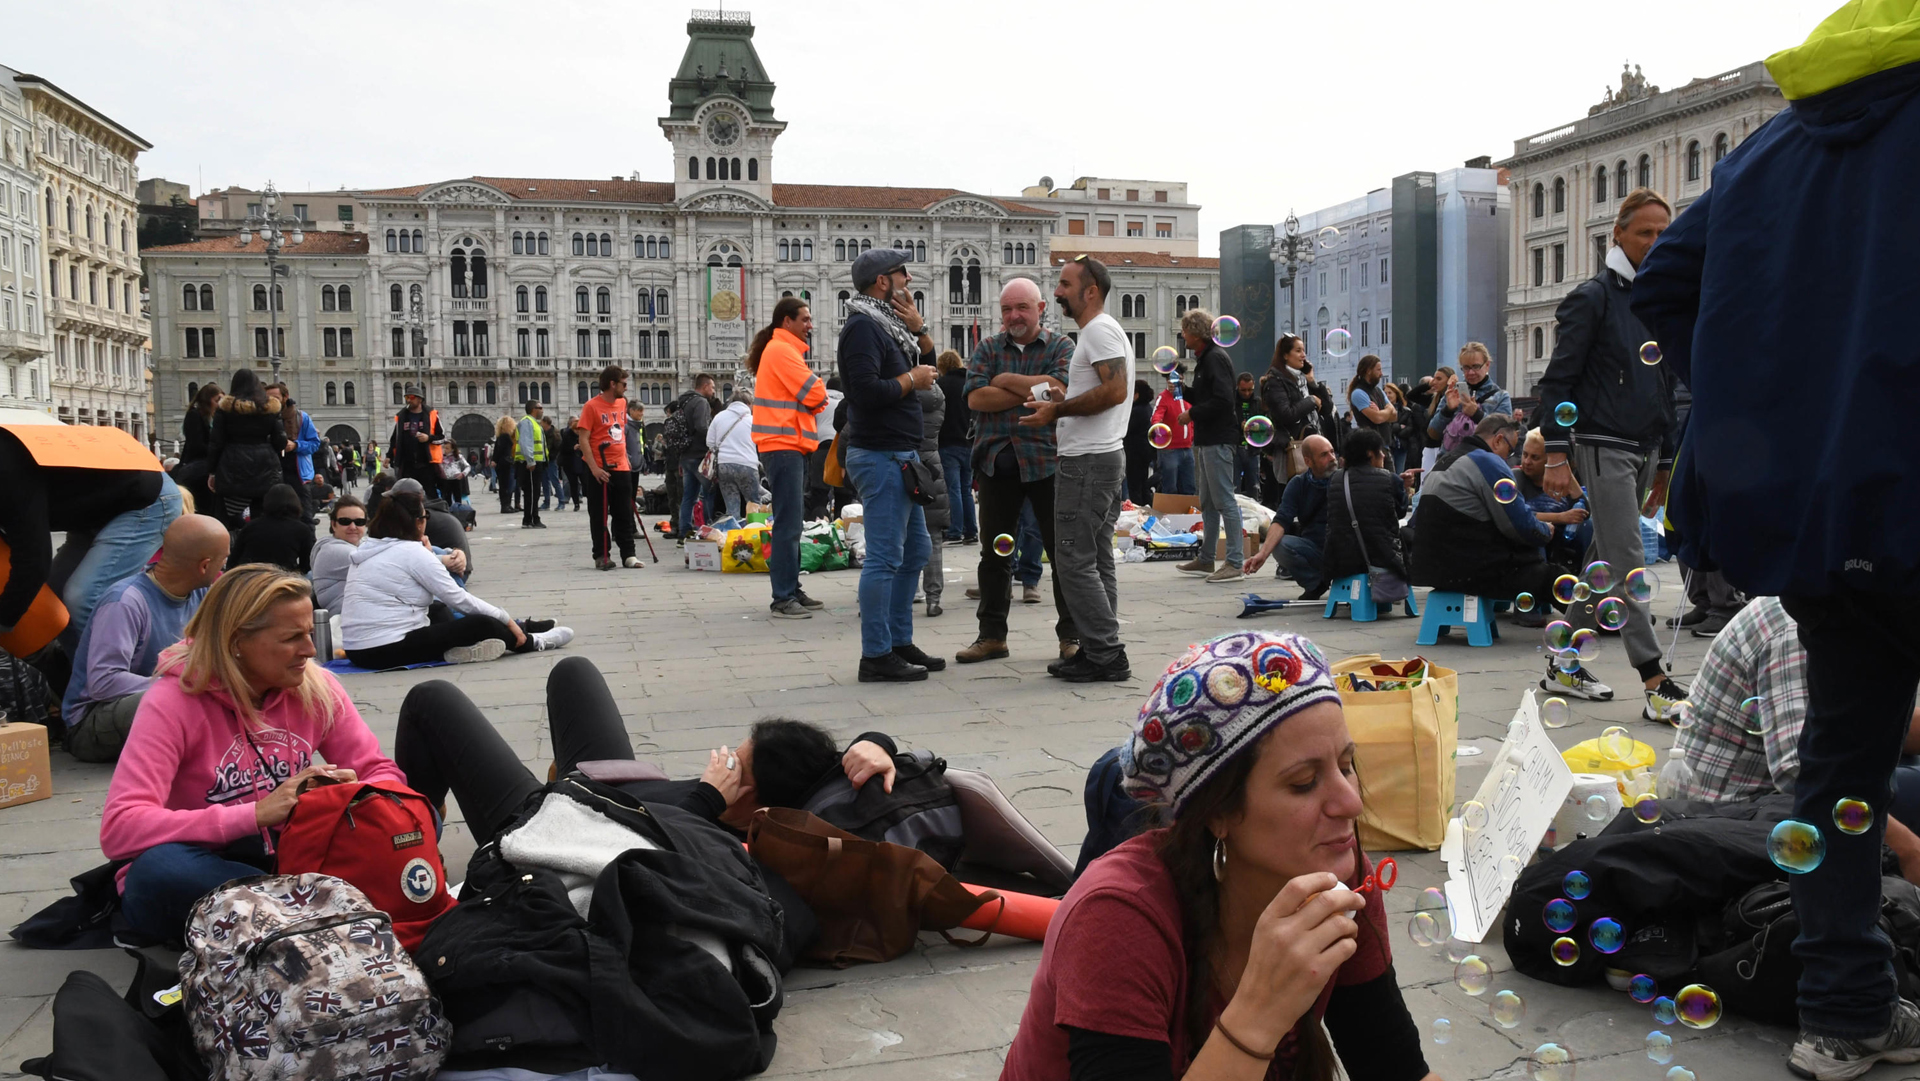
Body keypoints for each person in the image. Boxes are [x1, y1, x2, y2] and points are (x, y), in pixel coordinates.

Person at [1631, 11, 1920, 1075]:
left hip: (1817, 515)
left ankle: (1842, 1013)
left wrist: (1766, 391)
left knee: (1839, 767)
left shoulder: (1766, 151)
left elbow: (1662, 284)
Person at [1000, 630, 1428, 1081]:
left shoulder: (1338, 875)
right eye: (1303, 782)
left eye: (1346, 766)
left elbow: (1394, 1068)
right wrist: (1258, 1012)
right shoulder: (1117, 916)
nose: (1351, 804)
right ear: (1218, 812)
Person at [97, 565, 410, 942]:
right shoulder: (171, 701)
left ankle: (298, 913)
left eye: (309, 633)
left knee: (405, 821)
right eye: (292, 638)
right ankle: (323, 908)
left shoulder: (315, 684)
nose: (310, 651)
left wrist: (355, 794)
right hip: (210, 864)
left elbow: (379, 770)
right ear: (235, 643)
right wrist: (255, 814)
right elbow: (121, 828)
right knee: (161, 871)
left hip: (291, 858)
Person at [393, 655, 905, 846]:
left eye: (735, 766)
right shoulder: (796, 784)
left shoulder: (723, 842)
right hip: (606, 781)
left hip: (550, 828)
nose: (720, 762)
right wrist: (875, 744)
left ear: (755, 806)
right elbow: (839, 772)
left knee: (430, 700)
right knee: (574, 671)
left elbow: (632, 852)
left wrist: (705, 798)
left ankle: (410, 834)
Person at [1536, 187, 1687, 724]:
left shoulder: (1659, 298)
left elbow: (1666, 385)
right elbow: (1559, 381)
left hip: (1645, 449)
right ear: (1618, 233)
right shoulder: (1593, 297)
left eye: (1663, 232)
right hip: (1603, 446)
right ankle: (1654, 680)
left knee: (1602, 563)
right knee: (1630, 568)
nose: (1654, 241)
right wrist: (1556, 453)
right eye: (1644, 231)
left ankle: (1563, 662)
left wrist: (1667, 461)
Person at [956, 277, 1078, 667]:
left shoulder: (1062, 345)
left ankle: (1071, 637)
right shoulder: (988, 346)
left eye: (1022, 308)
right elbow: (976, 397)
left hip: (1047, 460)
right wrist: (1032, 389)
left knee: (1062, 555)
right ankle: (991, 636)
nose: (1013, 316)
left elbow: (1060, 388)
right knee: (994, 554)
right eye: (1007, 309)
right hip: (996, 462)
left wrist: (1004, 381)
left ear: (1040, 309)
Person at [1022, 256, 1131, 683]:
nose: (1057, 291)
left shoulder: (1099, 329)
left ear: (1090, 291)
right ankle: (1098, 646)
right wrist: (1062, 398)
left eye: (1064, 284)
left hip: (1087, 462)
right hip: (1098, 458)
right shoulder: (1100, 331)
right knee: (1096, 556)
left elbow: (1116, 390)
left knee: (1073, 560)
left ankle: (1105, 653)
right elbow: (1104, 390)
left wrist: (1058, 410)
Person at [838, 247, 944, 683]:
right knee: (884, 557)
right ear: (883, 282)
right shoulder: (862, 327)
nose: (909, 279)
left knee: (916, 550)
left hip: (900, 454)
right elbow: (862, 392)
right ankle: (876, 654)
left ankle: (899, 641)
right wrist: (909, 380)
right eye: (903, 273)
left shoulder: (891, 328)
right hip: (879, 454)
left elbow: (931, 375)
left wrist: (922, 334)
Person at [0, 424, 185, 657]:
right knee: (54, 598)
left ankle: (127, 678)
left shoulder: (5, 466)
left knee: (84, 597)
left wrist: (5, 620)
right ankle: (80, 677)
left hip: (145, 500)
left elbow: (33, 558)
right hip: (98, 507)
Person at [59, 516, 227, 763]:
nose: (224, 567)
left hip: (162, 698)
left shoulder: (202, 593)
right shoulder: (125, 602)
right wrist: (183, 684)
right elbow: (104, 682)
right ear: (204, 566)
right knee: (181, 698)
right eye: (223, 560)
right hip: (91, 723)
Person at [340, 489, 570, 668]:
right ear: (417, 522)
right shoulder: (412, 552)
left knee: (438, 611)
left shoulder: (369, 548)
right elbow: (459, 598)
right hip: (383, 649)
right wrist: (507, 620)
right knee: (483, 622)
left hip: (356, 649)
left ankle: (460, 650)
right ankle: (531, 642)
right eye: (424, 516)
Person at [744, 297, 829, 619]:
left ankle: (791, 589)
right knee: (788, 523)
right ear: (787, 321)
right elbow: (817, 395)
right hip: (782, 444)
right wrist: (815, 391)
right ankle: (782, 596)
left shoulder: (782, 350)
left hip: (785, 444)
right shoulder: (782, 351)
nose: (810, 325)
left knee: (791, 522)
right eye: (805, 319)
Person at [1174, 309, 1247, 585]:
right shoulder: (1205, 360)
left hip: (1218, 438)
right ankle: (1206, 558)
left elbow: (1223, 401)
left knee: (1224, 500)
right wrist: (1185, 390)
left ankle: (1234, 562)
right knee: (1206, 501)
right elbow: (1206, 397)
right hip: (1206, 439)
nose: (1183, 336)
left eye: (1184, 331)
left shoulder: (1215, 358)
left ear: (1196, 333)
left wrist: (1191, 414)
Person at [1319, 428, 1410, 605]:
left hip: (1340, 561)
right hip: (1382, 559)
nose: (1383, 455)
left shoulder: (1335, 479)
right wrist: (1403, 488)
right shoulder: (1391, 479)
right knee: (1408, 536)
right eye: (1380, 450)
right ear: (1370, 453)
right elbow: (1399, 513)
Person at [1243, 435, 1336, 600]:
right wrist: (1262, 554)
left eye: (1332, 452)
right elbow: (1281, 521)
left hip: (1344, 549)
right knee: (1280, 545)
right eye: (1324, 455)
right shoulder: (1298, 484)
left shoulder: (1344, 479)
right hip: (1314, 548)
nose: (1332, 458)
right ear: (1308, 461)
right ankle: (1316, 584)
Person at [575, 365, 642, 571]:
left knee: (623, 511)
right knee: (599, 513)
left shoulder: (622, 403)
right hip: (599, 467)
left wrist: (626, 458)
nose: (626, 388)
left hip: (621, 466)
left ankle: (628, 554)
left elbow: (620, 432)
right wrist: (594, 467)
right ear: (612, 384)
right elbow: (584, 438)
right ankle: (602, 555)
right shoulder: (591, 406)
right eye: (623, 384)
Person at [207, 368, 287, 528]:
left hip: (232, 465)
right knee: (263, 514)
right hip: (265, 464)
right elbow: (280, 441)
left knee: (228, 515)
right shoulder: (270, 409)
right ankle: (259, 546)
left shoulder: (225, 409)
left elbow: (216, 443)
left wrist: (212, 471)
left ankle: (231, 547)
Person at [1515, 428, 1592, 577]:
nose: (1527, 462)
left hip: (1560, 540)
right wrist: (1561, 517)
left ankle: (1587, 577)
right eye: (1525, 455)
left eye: (1535, 457)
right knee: (1537, 532)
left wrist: (1566, 472)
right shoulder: (1517, 477)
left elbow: (1586, 511)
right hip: (1532, 539)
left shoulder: (1560, 480)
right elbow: (1518, 515)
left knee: (1588, 526)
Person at [1258, 334, 1322, 496]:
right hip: (1292, 448)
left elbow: (1326, 408)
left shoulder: (1302, 380)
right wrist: (1311, 400)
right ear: (1285, 355)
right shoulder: (1275, 381)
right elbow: (1286, 414)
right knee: (1293, 498)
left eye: (1304, 350)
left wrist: (1312, 382)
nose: (1303, 355)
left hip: (1311, 444)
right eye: (1298, 350)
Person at [1425, 343, 1510, 454]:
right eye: (1466, 368)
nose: (1470, 372)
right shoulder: (1453, 393)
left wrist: (1477, 415)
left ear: (1487, 365)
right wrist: (1447, 410)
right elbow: (1433, 433)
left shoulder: (1501, 396)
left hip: (1482, 462)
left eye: (1476, 366)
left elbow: (1505, 436)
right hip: (1450, 462)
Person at [915, 380, 951, 618]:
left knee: (900, 536)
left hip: (906, 465)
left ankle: (906, 593)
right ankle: (933, 599)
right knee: (933, 537)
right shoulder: (939, 396)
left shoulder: (903, 394)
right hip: (932, 465)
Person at [935, 349, 977, 546]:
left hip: (948, 442)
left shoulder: (940, 385)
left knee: (953, 488)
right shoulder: (970, 383)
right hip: (968, 441)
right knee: (966, 489)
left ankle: (955, 531)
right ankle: (971, 531)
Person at [228, 483, 315, 573]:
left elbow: (233, 559)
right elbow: (306, 565)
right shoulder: (302, 530)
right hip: (280, 577)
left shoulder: (251, 526)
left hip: (250, 575)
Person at [675, 374, 718, 540]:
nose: (713, 391)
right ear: (705, 386)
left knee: (689, 497)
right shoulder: (701, 402)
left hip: (686, 456)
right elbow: (701, 426)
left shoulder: (684, 401)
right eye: (712, 387)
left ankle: (684, 531)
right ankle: (709, 530)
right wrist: (712, 440)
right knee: (708, 493)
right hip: (700, 456)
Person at [308, 493, 367, 614]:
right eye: (345, 521)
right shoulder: (332, 551)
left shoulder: (362, 545)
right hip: (344, 624)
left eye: (359, 521)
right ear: (333, 525)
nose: (353, 526)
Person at [387, 386, 447, 503]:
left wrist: (428, 438)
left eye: (412, 397)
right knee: (406, 494)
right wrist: (389, 456)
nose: (409, 400)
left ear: (420, 399)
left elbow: (442, 438)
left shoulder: (431, 415)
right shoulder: (402, 416)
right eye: (406, 397)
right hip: (407, 463)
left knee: (430, 494)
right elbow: (395, 439)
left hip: (427, 463)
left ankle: (432, 516)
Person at [709, 390, 760, 523]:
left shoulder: (719, 417)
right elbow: (760, 441)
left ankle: (733, 538)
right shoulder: (752, 420)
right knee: (754, 505)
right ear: (748, 403)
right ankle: (754, 536)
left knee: (731, 508)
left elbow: (710, 442)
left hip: (724, 465)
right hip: (747, 466)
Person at [173, 383, 221, 519]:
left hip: (205, 465)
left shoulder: (213, 418)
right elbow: (196, 444)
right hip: (197, 467)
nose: (219, 404)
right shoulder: (195, 415)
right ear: (208, 399)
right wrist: (216, 450)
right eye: (217, 400)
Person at [1148, 366, 1195, 497]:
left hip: (1186, 447)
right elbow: (1156, 416)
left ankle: (1187, 515)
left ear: (1182, 379)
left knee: (1189, 486)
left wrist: (1192, 437)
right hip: (1170, 449)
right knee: (1170, 487)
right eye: (1172, 379)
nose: (1175, 382)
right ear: (1167, 380)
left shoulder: (1187, 397)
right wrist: (1157, 427)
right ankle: (1171, 515)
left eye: (1178, 379)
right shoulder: (1163, 397)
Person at [1347, 354, 1399, 450]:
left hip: (1385, 445)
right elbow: (1377, 418)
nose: (1381, 373)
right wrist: (1387, 410)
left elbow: (1395, 416)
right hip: (1370, 447)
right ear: (1368, 371)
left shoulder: (1378, 391)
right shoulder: (1358, 393)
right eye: (1378, 370)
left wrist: (1380, 412)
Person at [515, 400, 549, 529]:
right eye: (540, 407)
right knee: (531, 492)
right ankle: (531, 519)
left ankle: (531, 518)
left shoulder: (534, 423)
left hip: (536, 461)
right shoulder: (527, 422)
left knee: (534, 492)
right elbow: (525, 442)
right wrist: (530, 460)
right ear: (533, 409)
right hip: (530, 463)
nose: (542, 410)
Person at [1124, 379, 1156, 506]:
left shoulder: (1136, 411)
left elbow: (1126, 429)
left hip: (1134, 453)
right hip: (1144, 452)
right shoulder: (1147, 408)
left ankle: (1139, 509)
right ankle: (1147, 507)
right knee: (1142, 485)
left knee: (1135, 486)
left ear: (1137, 394)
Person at [1233, 372, 1264, 497]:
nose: (1246, 393)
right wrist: (1238, 425)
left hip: (1253, 450)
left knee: (1254, 487)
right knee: (1234, 487)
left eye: (1250, 390)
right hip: (1236, 448)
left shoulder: (1257, 402)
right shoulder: (1231, 402)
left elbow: (1265, 424)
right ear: (1237, 387)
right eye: (1243, 390)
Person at [492, 415, 519, 515]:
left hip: (500, 463)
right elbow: (503, 451)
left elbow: (496, 451)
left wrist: (494, 460)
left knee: (503, 485)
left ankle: (506, 505)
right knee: (509, 485)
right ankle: (506, 505)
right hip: (506, 463)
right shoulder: (506, 437)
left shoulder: (500, 436)